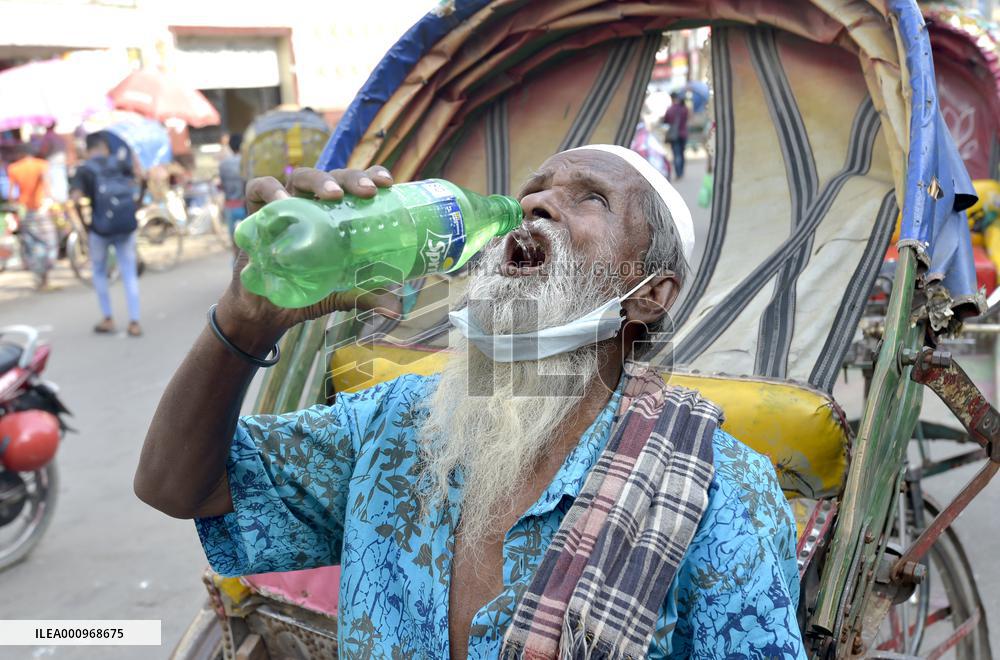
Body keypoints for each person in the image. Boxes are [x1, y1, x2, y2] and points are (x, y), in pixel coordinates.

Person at [135, 146, 805, 659]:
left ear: (648, 294)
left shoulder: (721, 493)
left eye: (590, 199)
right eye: (533, 194)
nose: (536, 206)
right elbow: (177, 487)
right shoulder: (395, 423)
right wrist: (249, 319)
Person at [71, 134, 142, 337]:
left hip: (100, 230)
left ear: (87, 149)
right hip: (126, 226)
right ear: (105, 147)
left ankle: (108, 318)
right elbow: (137, 180)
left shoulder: (84, 170)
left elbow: (75, 198)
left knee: (99, 271)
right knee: (129, 272)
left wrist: (84, 225)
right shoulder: (119, 163)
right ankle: (134, 321)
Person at [7, 143, 57, 289]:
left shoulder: (14, 168)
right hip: (41, 209)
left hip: (24, 210)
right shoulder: (41, 164)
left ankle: (38, 276)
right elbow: (46, 184)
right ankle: (45, 276)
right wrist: (51, 200)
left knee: (32, 243)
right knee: (49, 241)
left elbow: (11, 195)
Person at [218, 133, 245, 249]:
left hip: (229, 206)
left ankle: (235, 265)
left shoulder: (223, 164)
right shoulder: (247, 162)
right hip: (245, 206)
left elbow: (222, 185)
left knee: (234, 243)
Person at [663, 91, 689, 179]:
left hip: (674, 135)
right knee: (681, 153)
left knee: (676, 154)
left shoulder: (670, 109)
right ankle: (681, 172)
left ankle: (678, 173)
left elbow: (665, 121)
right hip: (683, 134)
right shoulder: (684, 108)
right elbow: (687, 118)